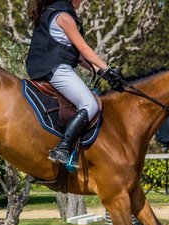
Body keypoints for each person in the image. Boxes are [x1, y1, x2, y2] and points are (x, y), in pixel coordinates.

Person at [26, 0, 124, 167]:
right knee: (90, 104)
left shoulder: (56, 12)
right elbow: (85, 50)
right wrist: (107, 69)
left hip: (48, 67)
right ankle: (62, 148)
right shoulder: (64, 17)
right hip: (55, 68)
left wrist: (103, 73)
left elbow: (79, 57)